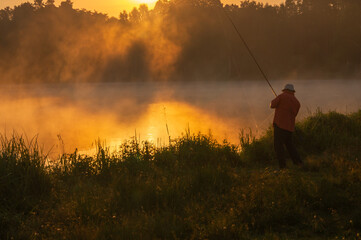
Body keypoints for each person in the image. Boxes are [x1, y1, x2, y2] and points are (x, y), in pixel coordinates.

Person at [270, 84, 302, 169]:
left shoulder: (281, 96)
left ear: (285, 90)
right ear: (293, 91)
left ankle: (283, 166)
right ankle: (298, 162)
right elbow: (294, 114)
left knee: (278, 146)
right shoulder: (297, 102)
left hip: (279, 125)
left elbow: (272, 105)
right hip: (290, 127)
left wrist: (278, 100)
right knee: (290, 146)